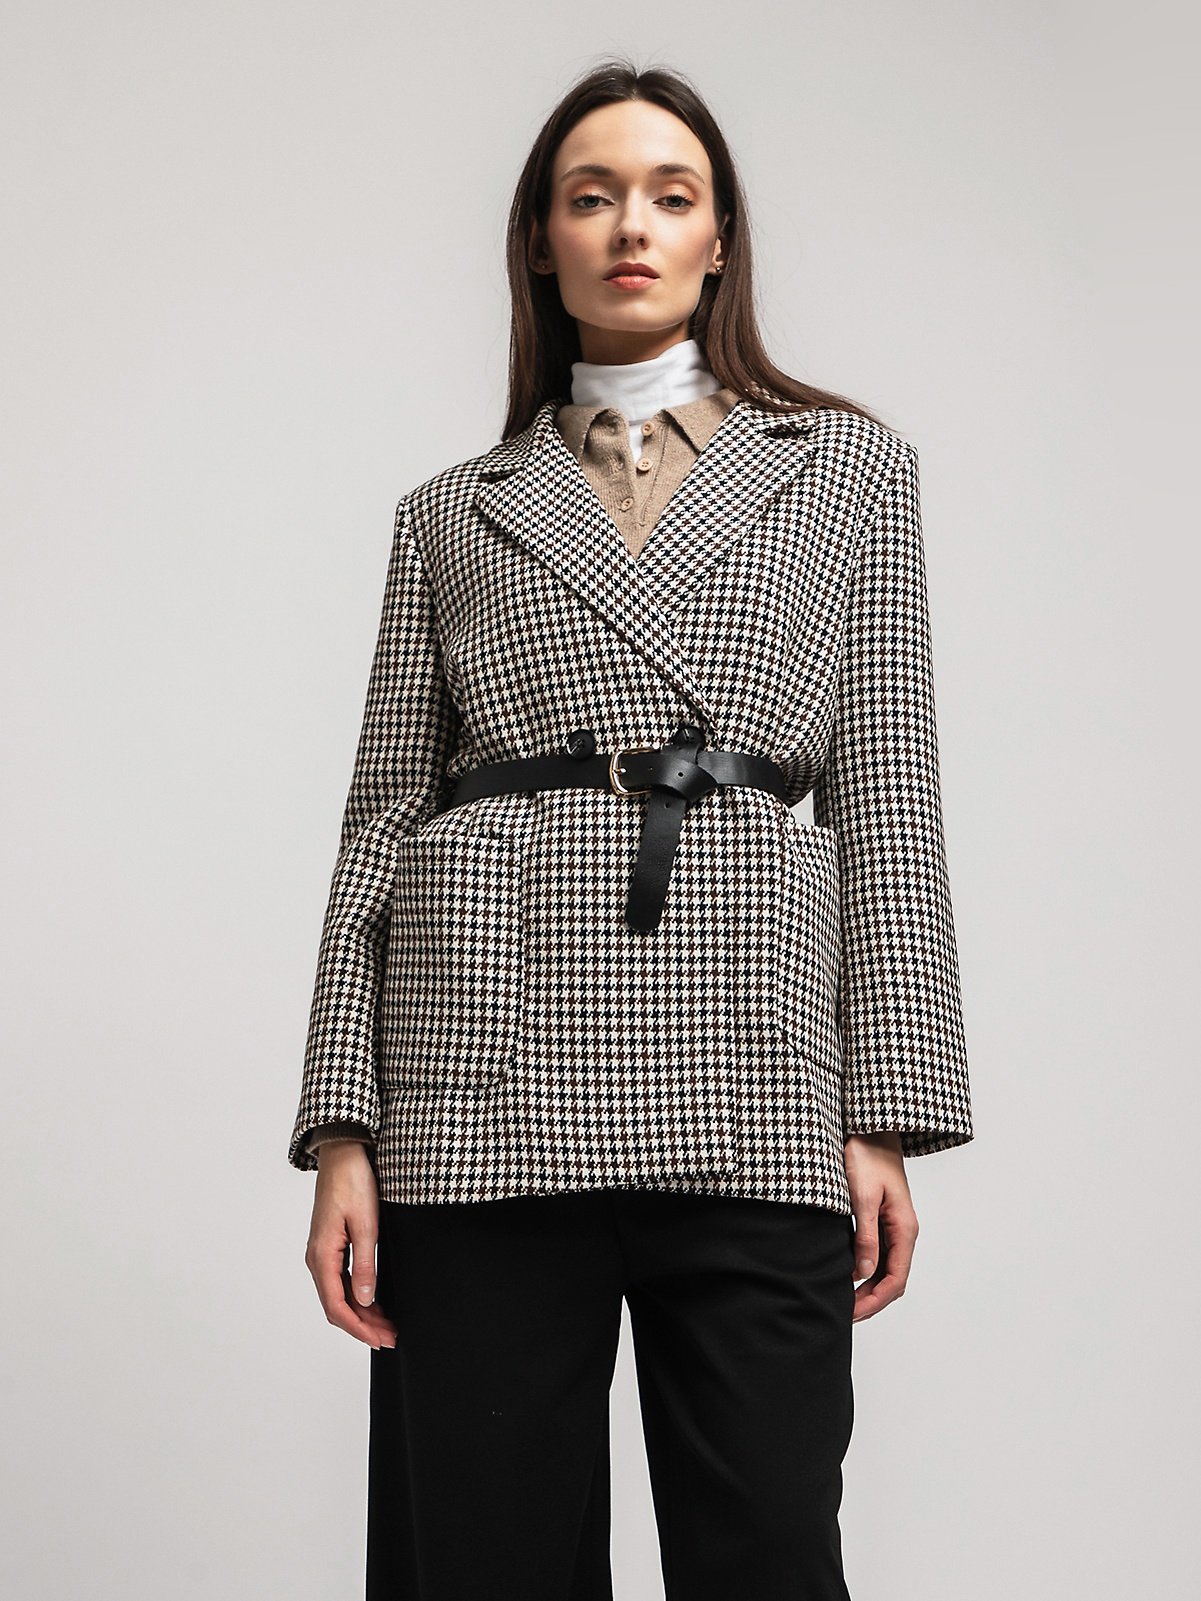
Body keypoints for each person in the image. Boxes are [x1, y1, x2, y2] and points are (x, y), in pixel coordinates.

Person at [287, 58, 974, 1601]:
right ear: (541, 241)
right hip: (477, 1076)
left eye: (670, 195)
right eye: (589, 196)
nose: (630, 226)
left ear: (720, 239)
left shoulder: (848, 471)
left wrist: (883, 1110)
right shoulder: (451, 510)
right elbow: (378, 821)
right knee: (485, 1563)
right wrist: (342, 1127)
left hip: (753, 1065)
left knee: (767, 1553)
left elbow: (891, 803)